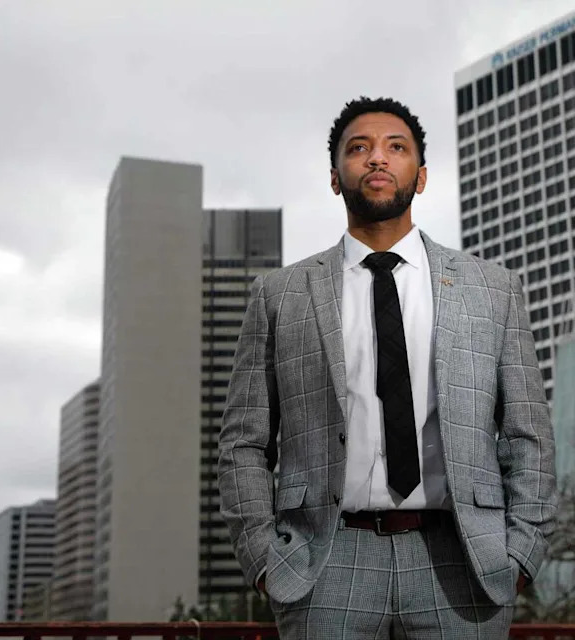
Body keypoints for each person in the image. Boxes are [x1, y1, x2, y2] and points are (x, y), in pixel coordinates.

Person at [219, 96, 556, 638]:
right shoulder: (280, 295)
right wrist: (262, 558)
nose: (377, 159)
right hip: (322, 565)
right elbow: (243, 442)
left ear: (420, 177)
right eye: (360, 149)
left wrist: (522, 551)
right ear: (335, 177)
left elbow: (528, 433)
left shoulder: (492, 290)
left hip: (466, 561)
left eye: (395, 148)